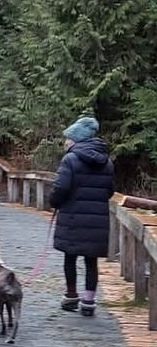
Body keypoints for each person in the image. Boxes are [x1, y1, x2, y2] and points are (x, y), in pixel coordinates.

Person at [49, 116, 115, 316]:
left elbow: (60, 187)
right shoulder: (107, 162)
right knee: (91, 261)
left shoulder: (70, 159)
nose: (66, 142)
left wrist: (54, 202)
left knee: (70, 258)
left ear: (77, 139)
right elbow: (110, 191)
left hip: (72, 218)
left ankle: (71, 297)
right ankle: (88, 301)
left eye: (68, 138)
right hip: (97, 221)